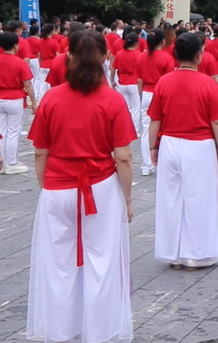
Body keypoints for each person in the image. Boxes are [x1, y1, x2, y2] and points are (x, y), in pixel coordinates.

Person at [26, 29, 136, 343]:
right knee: (101, 260)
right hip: (100, 187)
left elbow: (39, 151)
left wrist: (46, 187)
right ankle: (99, 333)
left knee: (59, 263)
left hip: (58, 187)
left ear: (69, 56)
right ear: (105, 57)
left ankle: (60, 332)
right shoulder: (113, 101)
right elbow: (124, 158)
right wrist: (127, 199)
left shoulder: (51, 98)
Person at [147, 33, 218, 270]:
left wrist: (154, 146)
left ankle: (173, 255)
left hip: (170, 143)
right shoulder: (208, 84)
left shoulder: (164, 82)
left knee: (171, 200)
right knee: (199, 199)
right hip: (199, 145)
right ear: (199, 55)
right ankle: (197, 255)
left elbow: (155, 120)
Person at [136, 29, 174, 177]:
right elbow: (170, 81)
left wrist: (142, 96)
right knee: (164, 128)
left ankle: (146, 165)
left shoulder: (141, 57)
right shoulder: (166, 58)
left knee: (146, 129)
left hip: (146, 93)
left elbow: (139, 80)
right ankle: (163, 162)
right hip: (161, 95)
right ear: (163, 41)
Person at [0, 32, 35, 173]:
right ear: (16, 45)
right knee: (13, 132)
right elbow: (27, 84)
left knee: (1, 131)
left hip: (0, 97)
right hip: (15, 98)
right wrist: (33, 101)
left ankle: (1, 161)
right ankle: (11, 163)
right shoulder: (20, 62)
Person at [111, 33, 142, 132]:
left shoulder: (120, 53)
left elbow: (113, 68)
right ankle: (135, 130)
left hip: (122, 83)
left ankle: (125, 128)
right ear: (136, 43)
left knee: (125, 108)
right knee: (136, 108)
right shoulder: (138, 55)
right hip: (134, 83)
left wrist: (112, 80)